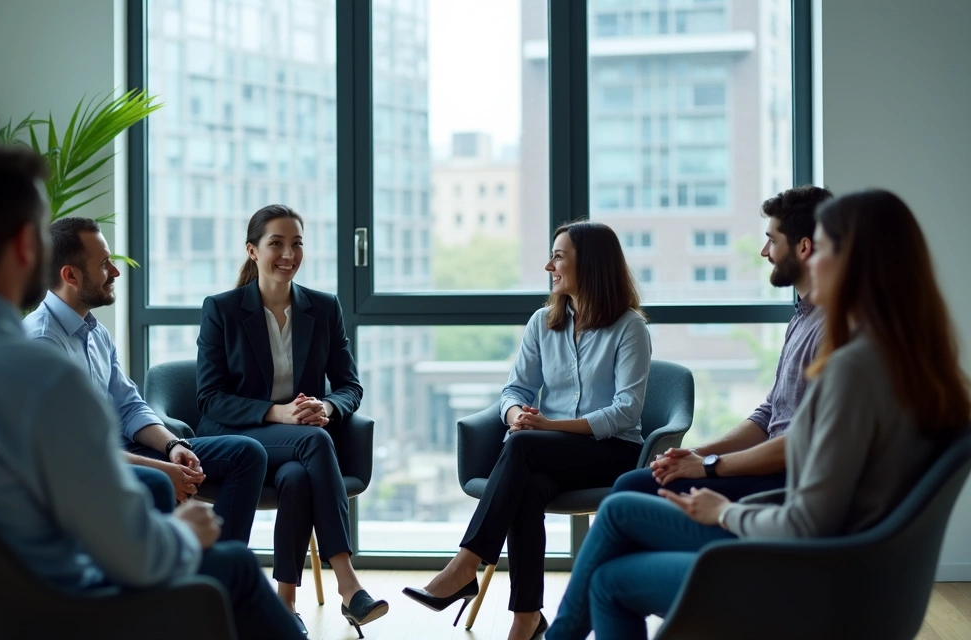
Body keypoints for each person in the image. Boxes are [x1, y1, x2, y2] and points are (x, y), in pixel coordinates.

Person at [0, 143, 304, 640]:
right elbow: (135, 555)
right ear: (28, 247)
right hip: (45, 618)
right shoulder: (43, 378)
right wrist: (183, 533)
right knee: (232, 565)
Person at [544, 189, 971, 640]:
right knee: (619, 545)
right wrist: (709, 468)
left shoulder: (854, 365)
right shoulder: (919, 361)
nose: (812, 259)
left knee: (615, 544)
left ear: (853, 261)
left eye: (821, 247)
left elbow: (808, 518)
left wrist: (724, 510)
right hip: (856, 574)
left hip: (806, 575)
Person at [404, 221, 652, 640]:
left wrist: (550, 426)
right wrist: (515, 413)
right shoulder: (543, 322)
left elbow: (626, 412)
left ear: (589, 264)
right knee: (528, 485)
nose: (548, 265)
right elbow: (514, 389)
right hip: (547, 450)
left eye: (559, 256)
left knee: (522, 450)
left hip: (610, 452)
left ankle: (466, 564)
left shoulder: (629, 327)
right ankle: (526, 619)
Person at [196, 204, 387, 637]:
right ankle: (348, 581)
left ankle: (285, 602)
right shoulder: (222, 309)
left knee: (301, 476)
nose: (288, 254)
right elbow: (209, 399)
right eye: (276, 244)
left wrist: (328, 408)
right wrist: (276, 412)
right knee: (315, 443)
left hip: (296, 442)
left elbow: (349, 386)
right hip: (237, 436)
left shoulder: (322, 308)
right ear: (252, 250)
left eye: (296, 243)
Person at [24, 216, 266, 539]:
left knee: (247, 455)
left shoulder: (96, 332)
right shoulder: (42, 343)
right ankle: (197, 575)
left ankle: (219, 574)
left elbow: (129, 407)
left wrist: (173, 446)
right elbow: (77, 448)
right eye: (104, 264)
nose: (115, 271)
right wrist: (163, 470)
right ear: (70, 275)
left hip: (121, 450)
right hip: (84, 469)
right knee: (157, 485)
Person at [611, 185, 833, 500]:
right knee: (636, 484)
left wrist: (710, 465)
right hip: (767, 472)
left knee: (630, 490)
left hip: (785, 484)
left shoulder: (831, 329)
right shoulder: (802, 318)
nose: (764, 251)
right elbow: (769, 414)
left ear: (804, 248)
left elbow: (801, 441)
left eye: (772, 240)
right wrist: (697, 452)